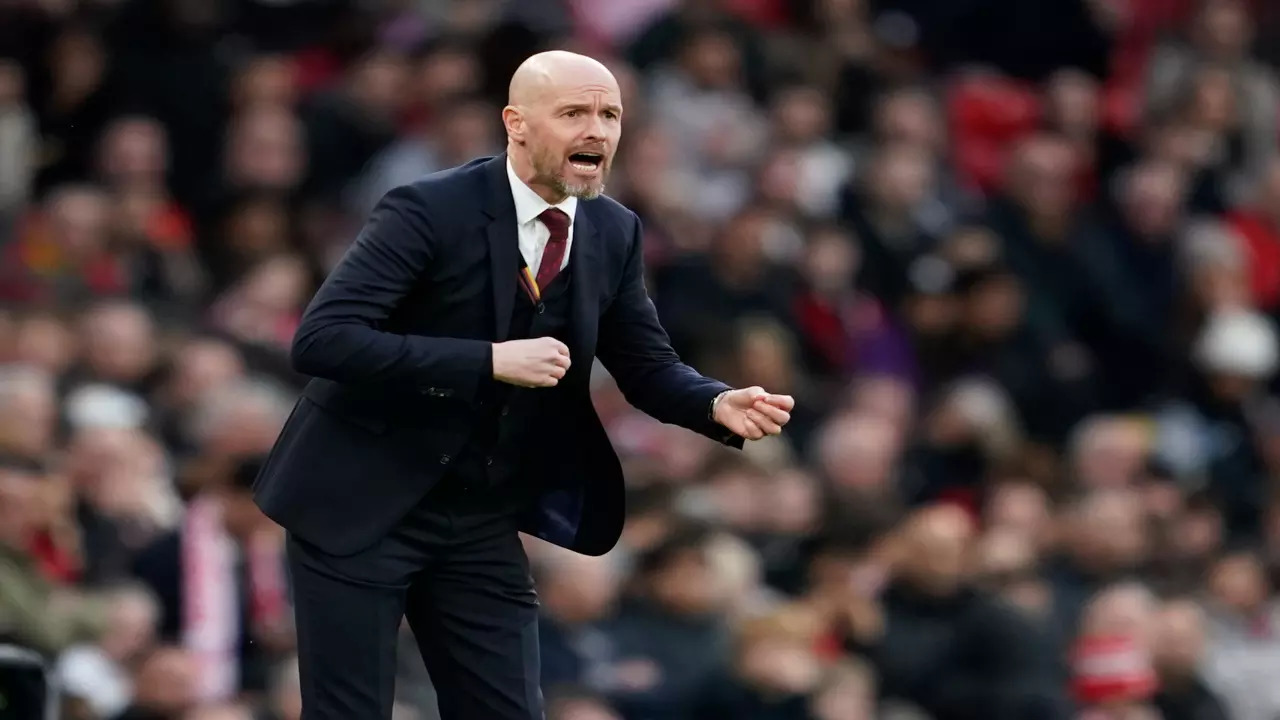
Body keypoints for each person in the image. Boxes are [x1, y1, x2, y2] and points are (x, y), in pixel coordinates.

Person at [251, 50, 794, 720]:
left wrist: (712, 401)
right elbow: (324, 340)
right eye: (574, 113)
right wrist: (486, 360)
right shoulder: (426, 209)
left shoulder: (613, 231)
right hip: (360, 500)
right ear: (517, 124)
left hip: (480, 515)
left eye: (610, 115)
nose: (597, 130)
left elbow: (646, 365)